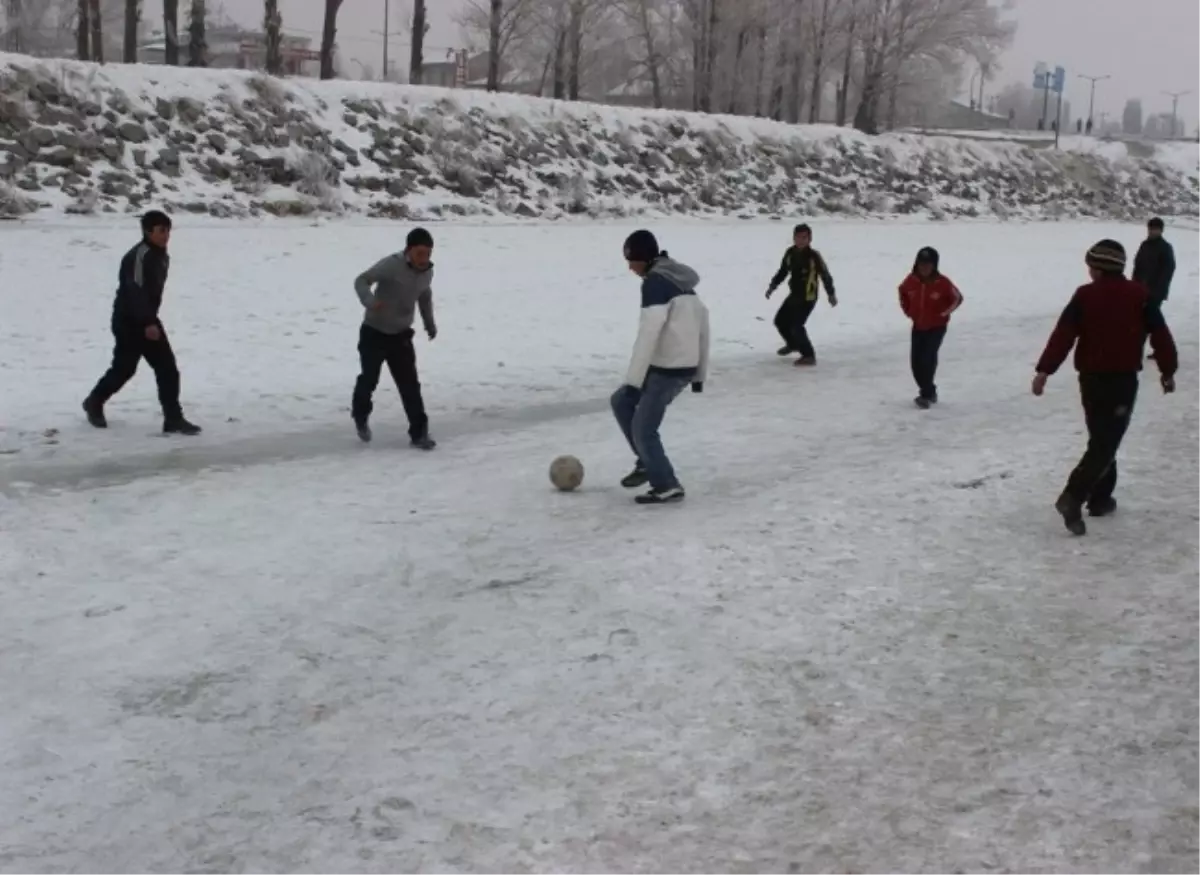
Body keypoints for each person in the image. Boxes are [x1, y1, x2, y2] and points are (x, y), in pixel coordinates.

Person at [1032, 239, 1178, 536]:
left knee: (1101, 436)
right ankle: (1073, 496)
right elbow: (1160, 333)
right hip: (1121, 379)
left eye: (1090, 265)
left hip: (1091, 378)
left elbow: (1064, 334)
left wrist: (1045, 370)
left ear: (1098, 268)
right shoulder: (1139, 295)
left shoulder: (1085, 296)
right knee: (1106, 441)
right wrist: (1167, 370)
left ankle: (1100, 498)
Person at [612, 230, 709, 505]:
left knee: (644, 428)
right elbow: (705, 325)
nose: (629, 266)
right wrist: (700, 373)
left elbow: (648, 334)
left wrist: (633, 380)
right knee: (621, 401)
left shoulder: (655, 283)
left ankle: (666, 484)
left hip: (671, 369)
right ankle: (647, 462)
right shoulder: (679, 280)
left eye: (631, 259)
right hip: (670, 365)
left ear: (643, 257)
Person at [82, 210, 201, 435]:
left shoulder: (160, 255)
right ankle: (94, 402)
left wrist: (150, 319)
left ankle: (173, 419)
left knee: (168, 369)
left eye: (168, 230)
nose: (166, 235)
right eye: (161, 231)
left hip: (147, 318)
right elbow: (134, 290)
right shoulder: (139, 256)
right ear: (147, 231)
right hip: (129, 321)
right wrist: (147, 322)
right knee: (124, 369)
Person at [351, 227, 438, 449]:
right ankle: (360, 416)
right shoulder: (391, 265)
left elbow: (425, 295)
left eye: (428, 253)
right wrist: (370, 302)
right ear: (409, 250)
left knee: (410, 386)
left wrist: (429, 323)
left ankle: (419, 433)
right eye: (420, 253)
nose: (424, 259)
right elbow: (361, 280)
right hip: (374, 332)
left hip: (401, 336)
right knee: (369, 380)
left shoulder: (428, 272)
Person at [898, 247, 963, 409]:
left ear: (934, 265)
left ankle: (926, 395)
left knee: (928, 358)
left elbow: (957, 298)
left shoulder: (942, 283)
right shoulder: (911, 280)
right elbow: (902, 292)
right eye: (921, 264)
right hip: (918, 326)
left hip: (936, 327)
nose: (924, 268)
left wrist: (943, 314)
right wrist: (908, 311)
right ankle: (929, 390)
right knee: (915, 363)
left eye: (928, 264)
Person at [765, 224, 837, 366]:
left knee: (797, 326)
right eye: (798, 237)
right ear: (793, 238)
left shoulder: (814, 256)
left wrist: (831, 294)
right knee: (780, 321)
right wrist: (772, 286)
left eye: (804, 238)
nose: (801, 240)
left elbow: (825, 275)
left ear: (810, 239)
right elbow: (783, 271)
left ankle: (809, 355)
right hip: (795, 294)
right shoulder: (790, 253)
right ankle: (793, 344)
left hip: (808, 297)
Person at [1133, 217, 1176, 359]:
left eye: (1156, 229)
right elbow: (1137, 265)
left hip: (1155, 292)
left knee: (1148, 321)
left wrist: (1157, 291)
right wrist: (1134, 285)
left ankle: (1142, 350)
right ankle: (1150, 348)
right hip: (1140, 289)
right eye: (1151, 228)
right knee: (1145, 321)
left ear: (1161, 230)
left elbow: (1168, 270)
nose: (1153, 231)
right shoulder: (1144, 245)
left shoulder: (1165, 247)